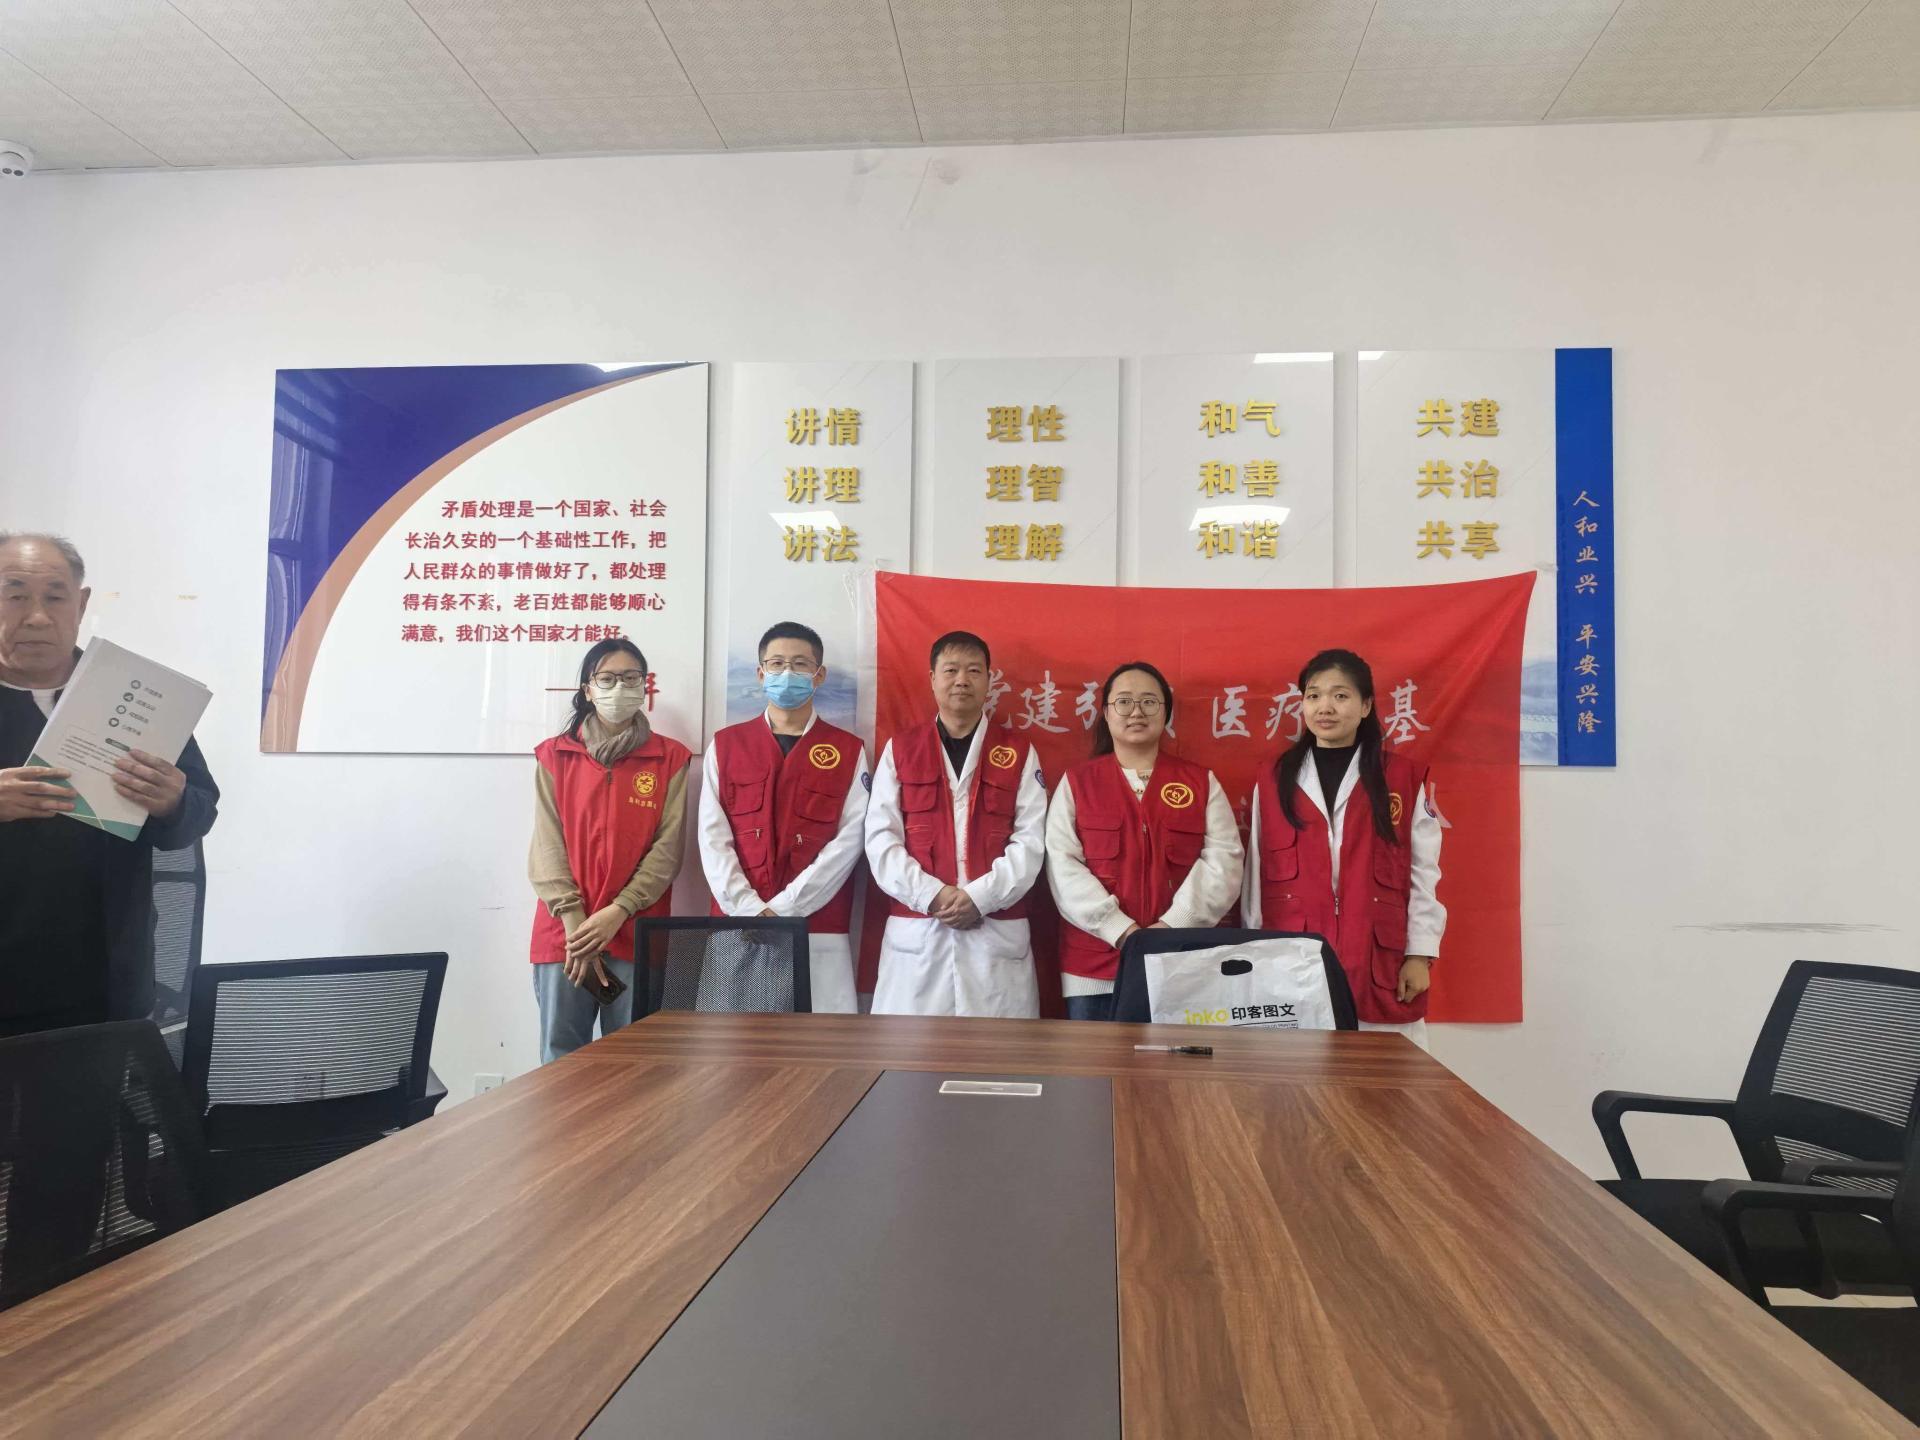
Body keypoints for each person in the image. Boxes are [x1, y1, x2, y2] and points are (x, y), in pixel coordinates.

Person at [0, 532, 219, 1037]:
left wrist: (173, 802)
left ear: (81, 605)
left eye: (55, 597)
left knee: (94, 1091)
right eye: (15, 595)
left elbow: (198, 812)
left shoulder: (136, 695)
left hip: (107, 983)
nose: (37, 617)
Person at [1242, 648, 1445, 1045]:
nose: (1325, 707)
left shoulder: (1401, 777)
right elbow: (1255, 877)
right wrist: (1254, 954)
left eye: (1340, 695)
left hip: (1377, 956)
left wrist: (1419, 954)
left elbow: (1424, 871)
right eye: (1314, 695)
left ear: (1366, 706)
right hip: (1292, 954)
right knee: (1298, 1071)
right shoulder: (1274, 778)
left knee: (1384, 1072)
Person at [1045, 661, 1242, 1020]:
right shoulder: (1078, 783)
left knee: (1177, 1059)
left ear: (1166, 713)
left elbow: (1224, 860)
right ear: (1106, 712)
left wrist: (1171, 928)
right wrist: (1121, 931)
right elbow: (1062, 865)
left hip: (1180, 960)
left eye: (1149, 702)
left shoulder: (1200, 782)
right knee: (1095, 1059)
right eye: (1124, 702)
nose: (1136, 712)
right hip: (1094, 970)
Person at [864, 631, 1046, 1016]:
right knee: (910, 1049)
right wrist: (933, 896)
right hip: (919, 933)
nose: (962, 680)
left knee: (996, 1050)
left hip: (994, 932)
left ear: (989, 680)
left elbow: (1031, 842)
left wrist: (980, 898)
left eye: (973, 671)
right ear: (932, 678)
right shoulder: (902, 749)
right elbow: (880, 840)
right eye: (951, 670)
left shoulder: (1017, 752)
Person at [527, 637, 690, 1062]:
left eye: (631, 678)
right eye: (608, 678)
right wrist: (576, 926)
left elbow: (667, 851)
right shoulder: (555, 756)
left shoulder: (670, 758)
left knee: (634, 1065)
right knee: (562, 1062)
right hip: (566, 936)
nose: (620, 687)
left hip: (636, 930)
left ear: (645, 685)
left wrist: (618, 911)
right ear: (588, 688)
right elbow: (547, 846)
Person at [697, 622, 868, 1013]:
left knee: (818, 1041)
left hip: (817, 925)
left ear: (819, 675)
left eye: (800, 664)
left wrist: (787, 909)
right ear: (761, 674)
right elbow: (712, 837)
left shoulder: (847, 750)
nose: (787, 673)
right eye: (776, 664)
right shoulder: (726, 745)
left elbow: (849, 841)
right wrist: (749, 908)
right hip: (737, 923)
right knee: (732, 1040)